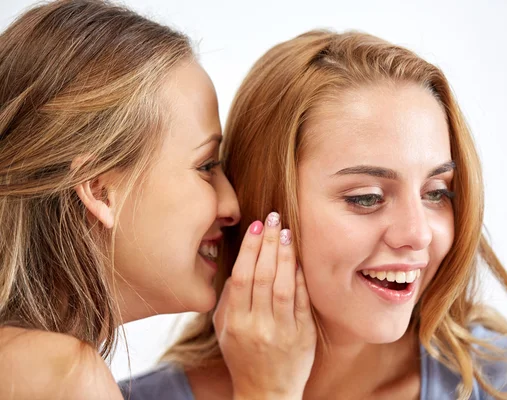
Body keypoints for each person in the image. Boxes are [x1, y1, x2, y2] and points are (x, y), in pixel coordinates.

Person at [122, 30, 507, 399]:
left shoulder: (503, 384)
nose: (417, 235)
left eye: (436, 193)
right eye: (367, 197)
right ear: (264, 203)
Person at [0, 1, 315, 399]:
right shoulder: (64, 379)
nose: (232, 205)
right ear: (101, 192)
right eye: (206, 166)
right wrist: (268, 390)